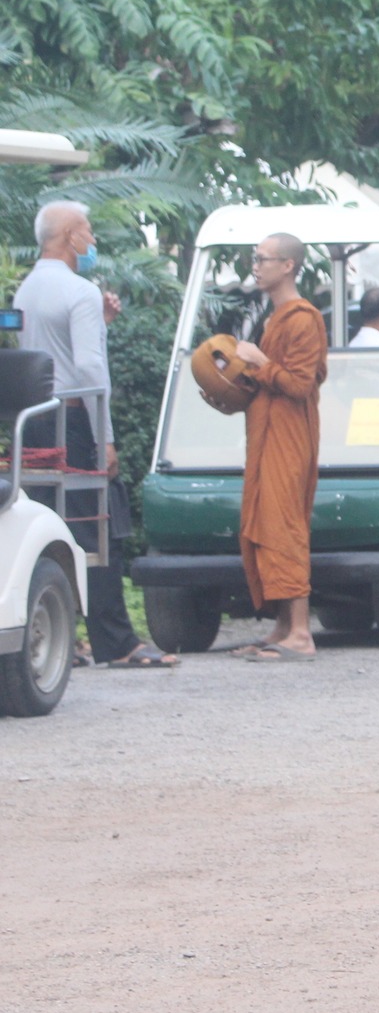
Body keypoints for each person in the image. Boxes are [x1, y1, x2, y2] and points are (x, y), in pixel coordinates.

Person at [13, 202, 174, 667]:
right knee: (99, 527)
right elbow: (87, 367)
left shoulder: (28, 289)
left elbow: (49, 354)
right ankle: (117, 641)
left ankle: (61, 630)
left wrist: (98, 326)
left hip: (37, 419)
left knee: (49, 525)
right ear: (70, 236)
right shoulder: (81, 290)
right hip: (77, 420)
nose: (94, 241)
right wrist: (105, 437)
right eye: (89, 231)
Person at [232, 233, 328, 662]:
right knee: (265, 524)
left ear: (288, 265)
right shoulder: (273, 319)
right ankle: (283, 625)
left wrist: (258, 362)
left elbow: (299, 383)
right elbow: (269, 382)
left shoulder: (302, 319)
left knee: (285, 526)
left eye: (262, 259)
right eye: (254, 259)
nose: (255, 266)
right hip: (267, 434)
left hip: (290, 437)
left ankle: (302, 633)